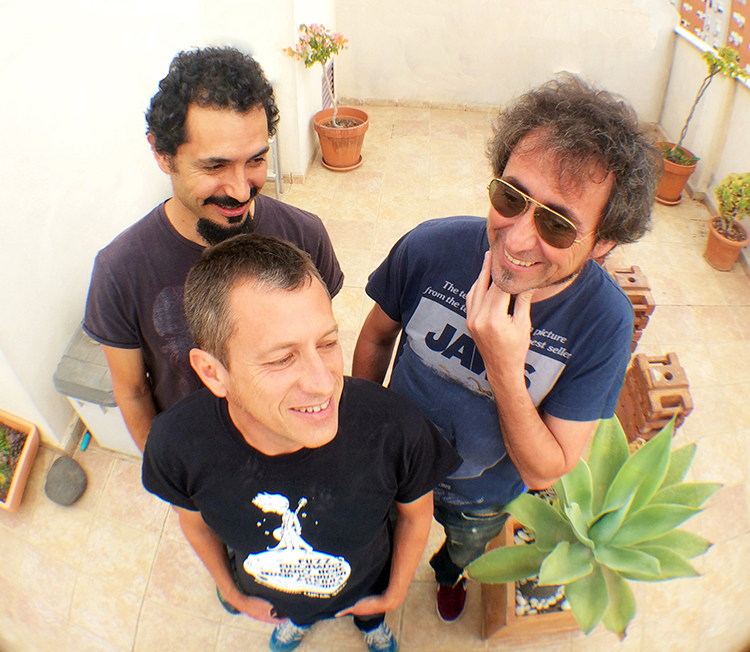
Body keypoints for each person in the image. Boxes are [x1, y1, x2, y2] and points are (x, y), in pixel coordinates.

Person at [351, 74, 661, 622]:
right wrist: (361, 431)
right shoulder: (432, 248)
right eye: (510, 198)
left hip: (481, 496)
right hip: (393, 464)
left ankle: (448, 574)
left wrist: (503, 367)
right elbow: (377, 336)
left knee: (462, 549)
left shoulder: (602, 322)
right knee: (380, 539)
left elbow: (548, 470)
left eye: (558, 225)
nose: (515, 239)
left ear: (604, 242)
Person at [141, 234, 461, 652]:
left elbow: (416, 518)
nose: (323, 383)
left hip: (366, 581)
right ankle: (298, 621)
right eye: (281, 358)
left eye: (327, 344)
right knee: (294, 611)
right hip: (274, 588)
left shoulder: (396, 430)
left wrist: (395, 593)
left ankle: (371, 623)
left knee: (368, 609)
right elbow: (195, 524)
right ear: (214, 373)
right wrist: (232, 591)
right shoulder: (176, 446)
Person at [83, 47, 343, 451]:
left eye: (256, 160)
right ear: (162, 154)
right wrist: (166, 470)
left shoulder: (304, 234)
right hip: (200, 456)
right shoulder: (120, 271)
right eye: (215, 166)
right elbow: (132, 391)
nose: (240, 190)